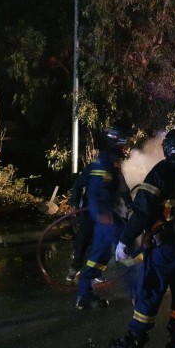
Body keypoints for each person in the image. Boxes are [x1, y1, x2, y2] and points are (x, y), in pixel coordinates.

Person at [110, 127, 175, 348]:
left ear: (168, 147)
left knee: (149, 293)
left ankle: (133, 345)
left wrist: (124, 240)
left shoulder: (162, 170)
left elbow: (143, 211)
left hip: (164, 248)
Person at [74, 126, 133, 310]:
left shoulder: (111, 159)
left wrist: (129, 204)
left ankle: (84, 295)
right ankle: (139, 290)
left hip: (109, 215)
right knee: (129, 248)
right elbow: (95, 189)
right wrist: (101, 213)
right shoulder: (106, 159)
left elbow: (120, 185)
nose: (126, 146)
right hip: (106, 217)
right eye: (124, 142)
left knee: (102, 254)